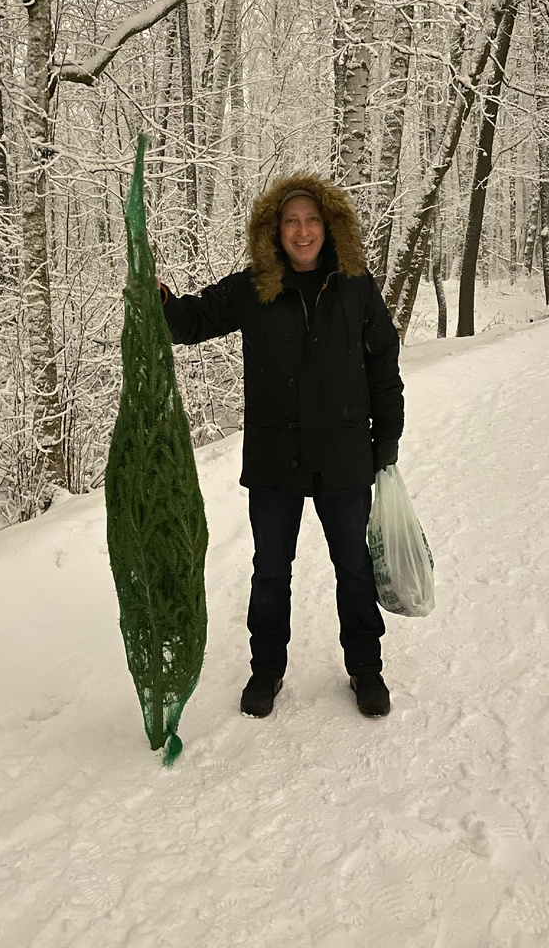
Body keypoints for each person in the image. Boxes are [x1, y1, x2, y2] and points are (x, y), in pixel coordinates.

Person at [159, 174, 404, 719]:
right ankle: (266, 670)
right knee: (271, 570)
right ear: (275, 229)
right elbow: (193, 321)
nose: (302, 231)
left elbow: (383, 364)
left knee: (354, 567)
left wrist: (385, 440)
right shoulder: (253, 289)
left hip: (343, 457)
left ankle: (366, 668)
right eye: (291, 221)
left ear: (329, 226)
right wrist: (159, 302)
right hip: (275, 460)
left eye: (312, 220)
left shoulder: (355, 287)